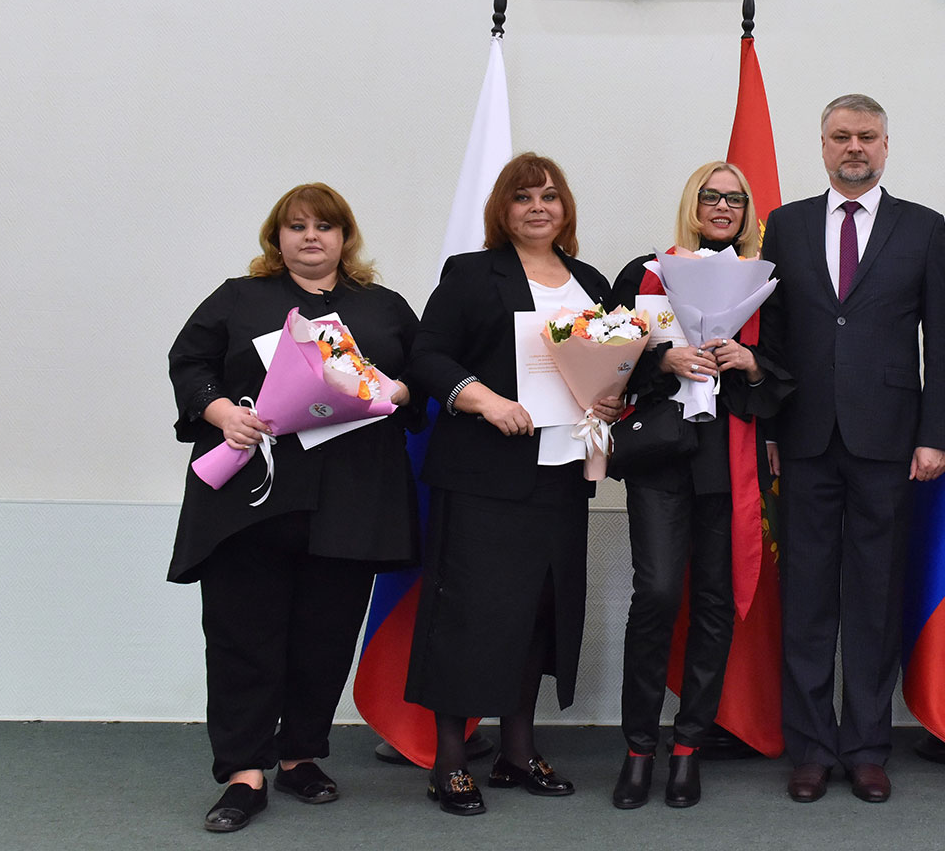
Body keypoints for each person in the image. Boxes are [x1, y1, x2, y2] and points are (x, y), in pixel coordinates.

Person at [167, 182, 420, 833]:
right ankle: (243, 773)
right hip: (252, 501)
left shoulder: (384, 307)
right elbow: (188, 363)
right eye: (297, 226)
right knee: (241, 638)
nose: (311, 237)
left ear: (345, 237)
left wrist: (397, 389)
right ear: (276, 238)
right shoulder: (238, 298)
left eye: (324, 226)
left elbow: (421, 380)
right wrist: (222, 413)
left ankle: (300, 755)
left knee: (325, 637)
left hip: (352, 501)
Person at [403, 153, 623, 817]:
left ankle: (517, 751)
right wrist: (486, 401)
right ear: (502, 209)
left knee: (537, 615)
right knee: (469, 617)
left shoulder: (590, 281)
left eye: (549, 196)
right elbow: (427, 356)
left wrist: (612, 398)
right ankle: (449, 759)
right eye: (523, 197)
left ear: (566, 209)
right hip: (482, 477)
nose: (537, 207)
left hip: (561, 477)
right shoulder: (472, 274)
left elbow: (611, 366)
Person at [757, 93, 945, 803]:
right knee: (807, 597)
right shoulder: (785, 225)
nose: (854, 147)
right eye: (841, 136)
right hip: (805, 438)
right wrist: (771, 428)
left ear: (885, 145)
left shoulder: (923, 227)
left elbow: (942, 336)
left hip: (889, 441)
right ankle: (812, 748)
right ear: (822, 146)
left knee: (875, 597)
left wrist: (936, 434)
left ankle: (869, 746)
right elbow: (772, 336)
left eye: (867, 136)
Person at [606, 161, 791, 809]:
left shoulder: (766, 281)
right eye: (710, 196)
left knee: (714, 601)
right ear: (692, 203)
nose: (722, 206)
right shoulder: (645, 273)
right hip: (661, 457)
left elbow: (787, 374)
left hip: (727, 461)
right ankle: (638, 749)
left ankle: (687, 748)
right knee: (657, 594)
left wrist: (751, 362)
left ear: (746, 211)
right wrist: (664, 358)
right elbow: (606, 358)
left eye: (734, 199)